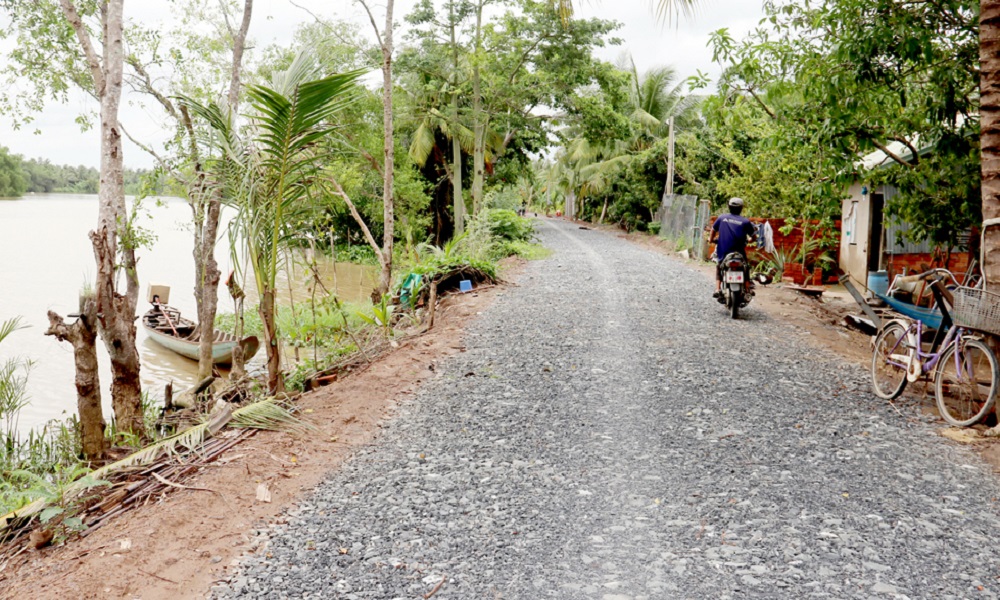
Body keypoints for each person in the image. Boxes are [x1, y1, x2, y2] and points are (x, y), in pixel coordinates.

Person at [710, 197, 757, 301]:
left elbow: (713, 230)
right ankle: (747, 289)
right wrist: (750, 240)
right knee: (745, 268)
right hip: (739, 253)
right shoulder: (745, 222)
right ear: (741, 208)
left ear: (729, 207)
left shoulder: (722, 218)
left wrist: (711, 240)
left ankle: (717, 289)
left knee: (719, 266)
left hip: (724, 252)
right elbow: (754, 237)